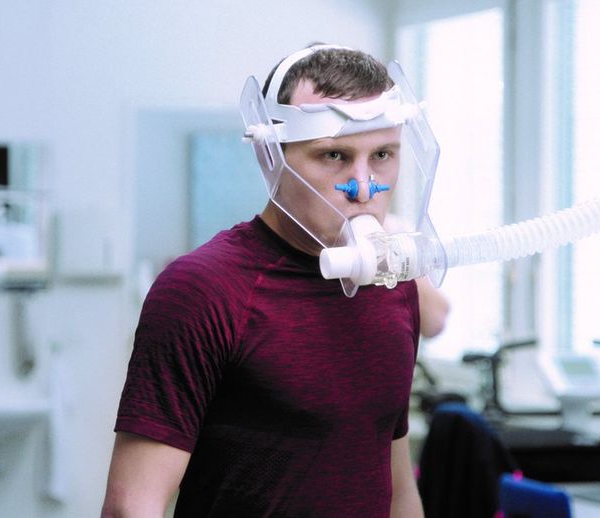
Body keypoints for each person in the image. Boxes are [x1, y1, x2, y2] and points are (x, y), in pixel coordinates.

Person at [102, 45, 428, 517]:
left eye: (382, 154)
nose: (363, 186)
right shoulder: (202, 291)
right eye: (334, 155)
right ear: (271, 156)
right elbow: (132, 506)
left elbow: (397, 486)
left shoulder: (393, 285)